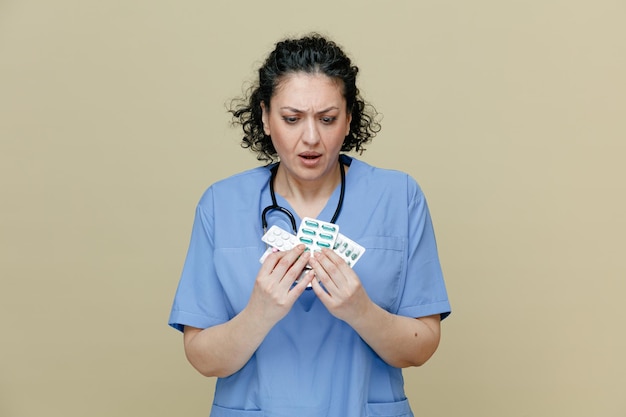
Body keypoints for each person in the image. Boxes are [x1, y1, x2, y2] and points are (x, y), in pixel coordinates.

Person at [168, 33, 451, 417]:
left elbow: (422, 346)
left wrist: (360, 310)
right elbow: (202, 358)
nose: (311, 138)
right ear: (266, 118)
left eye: (328, 118)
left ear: (349, 118)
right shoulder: (221, 204)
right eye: (291, 118)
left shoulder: (398, 196)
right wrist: (260, 312)